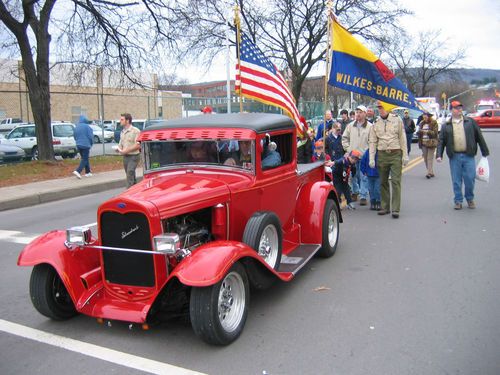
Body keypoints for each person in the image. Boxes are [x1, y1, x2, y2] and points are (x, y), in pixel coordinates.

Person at [436, 100, 490, 210]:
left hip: (468, 155)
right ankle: (458, 201)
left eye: (460, 107)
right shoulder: (446, 125)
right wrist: (439, 155)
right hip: (454, 156)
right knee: (456, 180)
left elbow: (479, 136)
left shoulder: (470, 122)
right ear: (451, 110)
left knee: (470, 179)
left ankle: (470, 198)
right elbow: (441, 141)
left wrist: (485, 152)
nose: (459, 110)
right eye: (456, 108)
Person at [369, 101, 408, 218]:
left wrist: (405, 155)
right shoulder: (375, 123)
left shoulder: (397, 120)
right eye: (379, 108)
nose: (381, 110)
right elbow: (372, 141)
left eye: (383, 107)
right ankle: (385, 206)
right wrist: (372, 158)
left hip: (395, 152)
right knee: (383, 182)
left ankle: (395, 208)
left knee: (395, 181)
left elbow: (402, 138)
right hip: (382, 154)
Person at [342, 105, 372, 206]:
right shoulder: (350, 126)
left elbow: (372, 141)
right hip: (353, 156)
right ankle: (355, 192)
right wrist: (348, 149)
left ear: (365, 114)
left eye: (360, 112)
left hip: (364, 156)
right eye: (357, 112)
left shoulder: (370, 127)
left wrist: (368, 152)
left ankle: (363, 195)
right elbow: (344, 138)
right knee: (353, 175)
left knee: (363, 176)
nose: (358, 114)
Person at [116, 113, 141, 188]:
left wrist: (126, 150)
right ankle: (135, 190)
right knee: (130, 175)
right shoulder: (122, 132)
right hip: (125, 157)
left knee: (130, 173)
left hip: (134, 156)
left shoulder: (135, 131)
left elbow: (138, 145)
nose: (120, 121)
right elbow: (121, 144)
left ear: (127, 120)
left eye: (122, 119)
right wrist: (118, 149)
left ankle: (128, 192)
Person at [417, 111, 439, 178]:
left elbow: (435, 133)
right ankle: (430, 171)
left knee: (430, 158)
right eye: (424, 116)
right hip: (423, 142)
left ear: (429, 116)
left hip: (431, 142)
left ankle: (429, 173)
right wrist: (419, 132)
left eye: (426, 116)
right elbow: (419, 132)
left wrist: (426, 132)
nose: (425, 118)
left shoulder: (434, 122)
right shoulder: (421, 123)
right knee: (425, 158)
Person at [72, 115, 94, 179]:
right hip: (86, 145)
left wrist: (77, 141)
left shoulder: (76, 127)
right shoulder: (87, 127)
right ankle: (78, 171)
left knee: (85, 158)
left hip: (78, 145)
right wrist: (91, 143)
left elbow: (74, 136)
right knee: (84, 159)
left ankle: (88, 172)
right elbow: (90, 137)